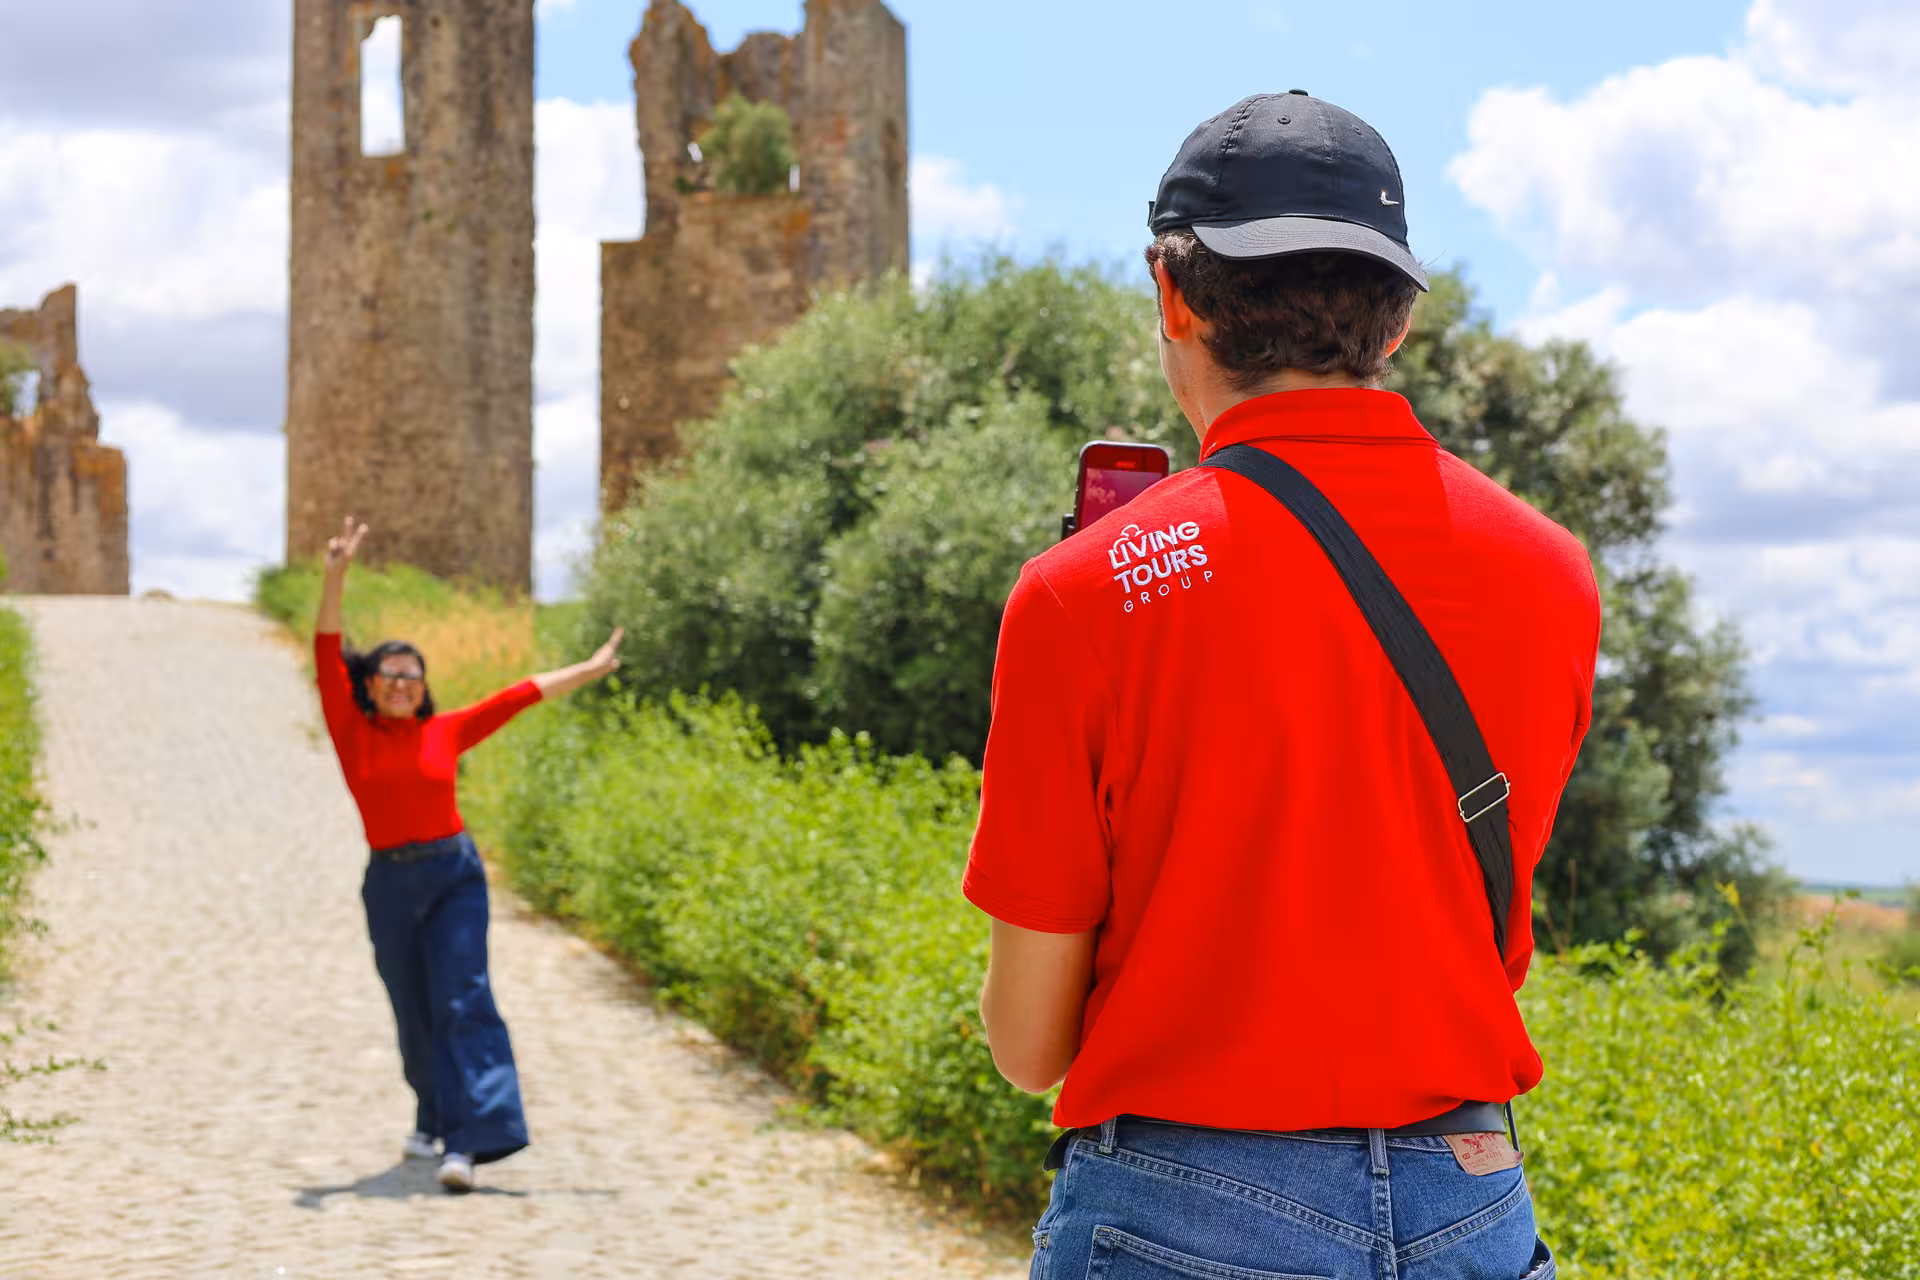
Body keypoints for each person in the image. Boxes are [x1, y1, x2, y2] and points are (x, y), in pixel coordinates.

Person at [964, 93, 1599, 1279]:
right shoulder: (1553, 572)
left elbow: (1026, 1042)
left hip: (1181, 1217)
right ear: (1398, 319)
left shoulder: (1079, 593)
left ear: (1173, 295)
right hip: (1473, 1202)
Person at [315, 516, 624, 1193]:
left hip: (453, 874)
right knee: (412, 1006)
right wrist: (336, 573)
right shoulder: (350, 732)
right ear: (368, 684)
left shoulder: (446, 731)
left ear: (425, 689)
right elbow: (327, 646)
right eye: (389, 675)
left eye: (413, 677)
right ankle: (429, 1114)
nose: (401, 684)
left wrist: (592, 669)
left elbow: (521, 694)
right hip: (390, 885)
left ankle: (466, 1142)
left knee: (462, 997)